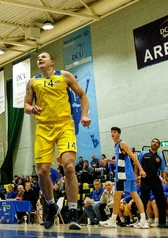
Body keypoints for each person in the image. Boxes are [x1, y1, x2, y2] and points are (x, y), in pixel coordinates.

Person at [23, 52, 91, 230]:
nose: (40, 58)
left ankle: (74, 212)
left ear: (52, 62)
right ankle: (51, 205)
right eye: (38, 57)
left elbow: (82, 95)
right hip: (44, 128)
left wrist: (84, 115)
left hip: (64, 125)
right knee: (42, 171)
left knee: (69, 166)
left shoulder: (65, 76)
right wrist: (32, 108)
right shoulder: (33, 82)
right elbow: (26, 105)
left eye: (44, 56)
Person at [100, 127, 149, 229]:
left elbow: (133, 156)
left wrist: (141, 169)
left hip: (123, 174)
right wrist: (110, 161)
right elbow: (120, 160)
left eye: (115, 132)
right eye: (111, 132)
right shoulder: (116, 145)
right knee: (135, 196)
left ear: (119, 134)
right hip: (126, 173)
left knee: (117, 196)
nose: (112, 134)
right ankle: (143, 220)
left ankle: (113, 220)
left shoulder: (122, 144)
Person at [138, 138, 168, 228]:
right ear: (150, 143)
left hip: (155, 179)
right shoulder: (143, 154)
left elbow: (163, 169)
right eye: (153, 142)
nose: (155, 143)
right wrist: (137, 176)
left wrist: (164, 179)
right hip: (145, 179)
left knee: (161, 201)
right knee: (144, 200)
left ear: (159, 146)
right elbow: (137, 165)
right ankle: (142, 220)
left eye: (157, 143)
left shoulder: (160, 157)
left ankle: (162, 222)